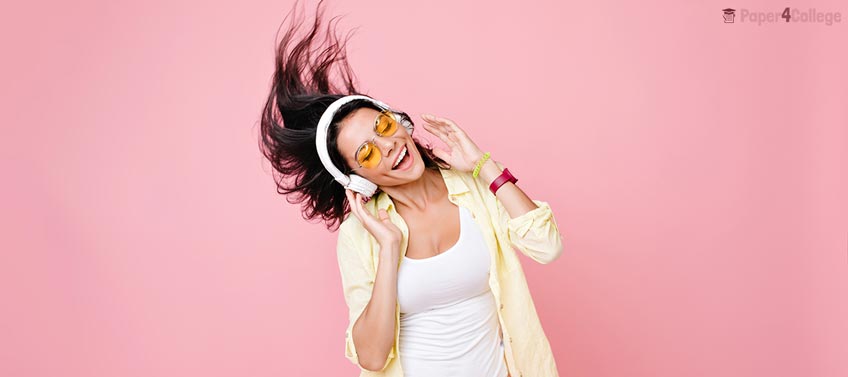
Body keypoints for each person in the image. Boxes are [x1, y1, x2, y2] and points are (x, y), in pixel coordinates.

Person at [259, 1, 565, 376]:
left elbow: (547, 247)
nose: (388, 146)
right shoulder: (361, 235)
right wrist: (389, 248)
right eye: (367, 153)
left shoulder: (475, 192)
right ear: (356, 179)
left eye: (384, 128)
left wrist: (487, 168)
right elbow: (372, 356)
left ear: (399, 121)